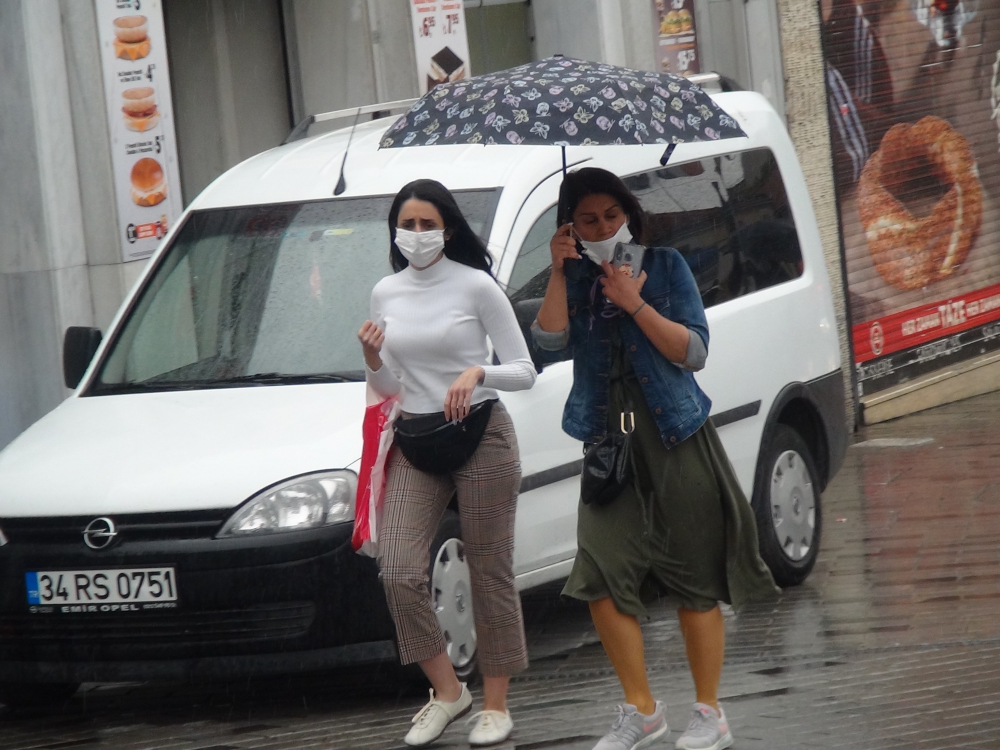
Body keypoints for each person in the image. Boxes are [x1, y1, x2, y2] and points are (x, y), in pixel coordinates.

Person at [531, 168, 779, 750]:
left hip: (673, 431)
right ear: (570, 225)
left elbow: (693, 351)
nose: (602, 228)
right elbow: (547, 343)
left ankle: (709, 712)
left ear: (629, 215)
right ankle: (641, 710)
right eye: (588, 220)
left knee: (695, 575)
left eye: (611, 217)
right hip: (607, 443)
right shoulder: (569, 278)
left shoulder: (665, 265)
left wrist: (634, 302)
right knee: (597, 575)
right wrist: (560, 268)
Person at [358, 179, 536, 747]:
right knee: (399, 569)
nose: (416, 234)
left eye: (426, 224)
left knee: (488, 569)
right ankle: (447, 692)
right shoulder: (385, 292)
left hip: (481, 433)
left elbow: (526, 369)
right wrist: (370, 356)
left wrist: (479, 373)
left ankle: (495, 702)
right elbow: (387, 384)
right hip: (416, 437)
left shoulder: (476, 286)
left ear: (449, 228)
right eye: (406, 224)